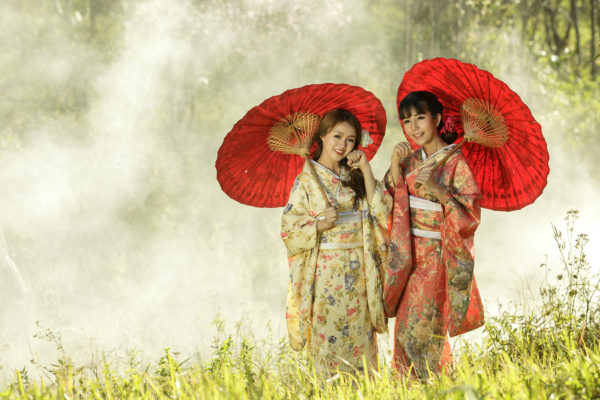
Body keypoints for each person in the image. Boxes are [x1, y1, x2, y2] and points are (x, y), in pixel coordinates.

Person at [281, 109, 392, 374]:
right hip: (326, 273)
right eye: (337, 136)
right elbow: (289, 229)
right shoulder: (306, 179)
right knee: (327, 335)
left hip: (359, 269)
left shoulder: (352, 174)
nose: (342, 145)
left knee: (360, 336)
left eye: (351, 140)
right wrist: (319, 224)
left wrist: (365, 168)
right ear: (322, 136)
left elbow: (382, 211)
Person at [383, 91, 484, 378]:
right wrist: (393, 163)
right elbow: (387, 199)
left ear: (437, 118)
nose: (414, 127)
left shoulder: (456, 163)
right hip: (408, 254)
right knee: (406, 325)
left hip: (437, 255)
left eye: (420, 117)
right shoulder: (411, 161)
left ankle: (427, 385)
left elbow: (471, 214)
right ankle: (422, 386)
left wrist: (441, 193)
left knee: (421, 325)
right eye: (407, 120)